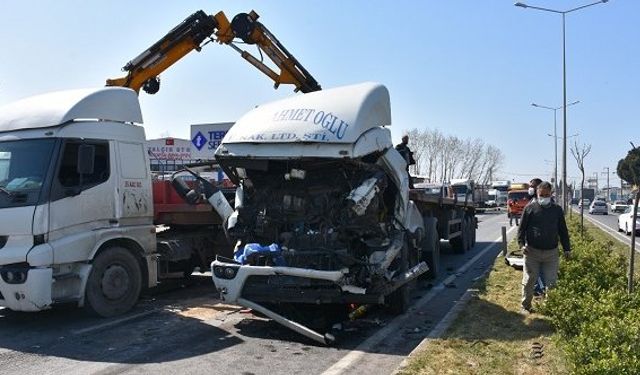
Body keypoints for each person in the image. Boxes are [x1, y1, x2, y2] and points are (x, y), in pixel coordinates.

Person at [517, 181, 571, 314]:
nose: (544, 197)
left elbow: (563, 231)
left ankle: (549, 307)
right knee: (529, 279)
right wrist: (522, 245)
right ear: (537, 193)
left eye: (547, 195)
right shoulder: (530, 209)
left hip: (551, 253)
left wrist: (566, 249)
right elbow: (521, 229)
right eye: (542, 195)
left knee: (551, 283)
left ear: (551, 194)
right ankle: (525, 305)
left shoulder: (557, 210)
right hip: (532, 252)